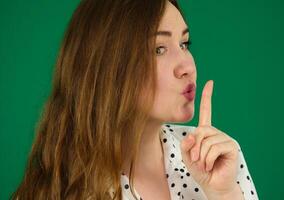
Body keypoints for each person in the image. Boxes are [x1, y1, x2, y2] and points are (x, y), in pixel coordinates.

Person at [12, 0, 259, 199]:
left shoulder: (219, 158)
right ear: (107, 67)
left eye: (184, 44)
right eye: (158, 49)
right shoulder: (61, 188)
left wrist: (224, 194)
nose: (187, 66)